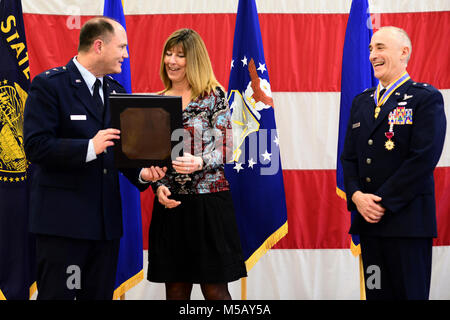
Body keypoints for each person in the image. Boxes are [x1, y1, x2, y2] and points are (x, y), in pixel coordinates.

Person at [23, 17, 166, 300]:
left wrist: (142, 175)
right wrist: (89, 147)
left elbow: (123, 151)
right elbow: (36, 147)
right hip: (64, 227)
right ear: (98, 46)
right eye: (122, 47)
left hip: (104, 228)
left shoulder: (116, 91)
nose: (126, 55)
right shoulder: (50, 86)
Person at [341, 26, 446, 300]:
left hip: (407, 225)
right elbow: (349, 159)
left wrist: (381, 201)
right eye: (371, 49)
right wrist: (356, 197)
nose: (373, 55)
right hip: (369, 226)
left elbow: (423, 159)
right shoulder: (361, 102)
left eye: (380, 48)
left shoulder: (425, 98)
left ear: (404, 52)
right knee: (376, 295)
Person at [147, 28, 247, 300]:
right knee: (176, 290)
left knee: (214, 289)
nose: (172, 60)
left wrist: (200, 161)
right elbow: (152, 158)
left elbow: (227, 148)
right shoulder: (156, 101)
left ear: (195, 60)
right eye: (169, 53)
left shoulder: (214, 96)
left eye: (181, 55)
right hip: (171, 208)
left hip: (209, 205)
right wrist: (158, 187)